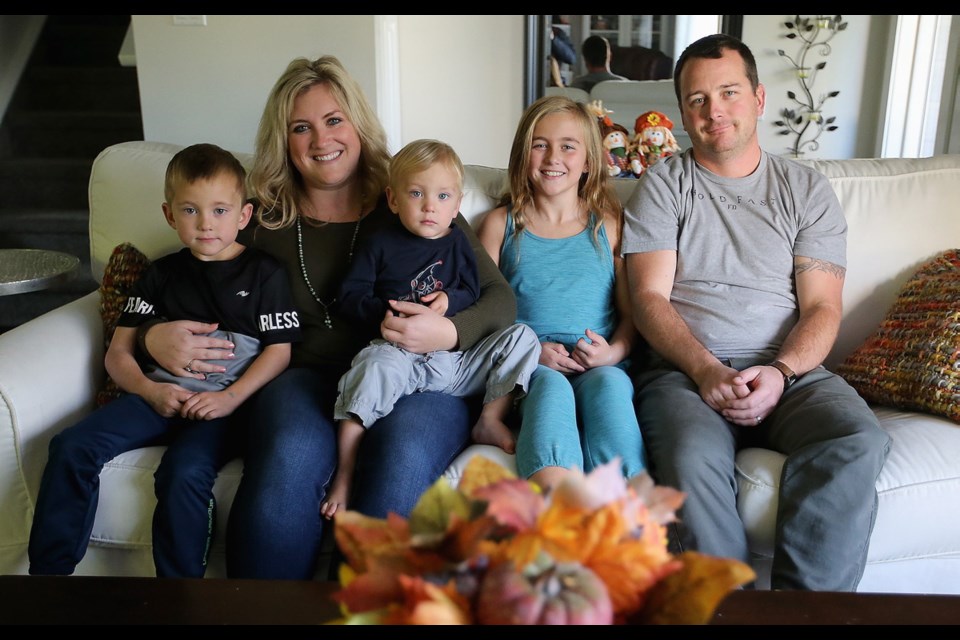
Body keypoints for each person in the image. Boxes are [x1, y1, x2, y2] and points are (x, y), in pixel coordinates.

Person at [136, 56, 518, 580]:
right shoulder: (259, 217)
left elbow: (500, 299)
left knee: (402, 458)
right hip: (304, 377)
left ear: (358, 123)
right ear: (284, 140)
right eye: (301, 127)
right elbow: (186, 283)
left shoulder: (414, 197)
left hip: (419, 377)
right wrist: (152, 337)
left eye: (334, 120)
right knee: (290, 455)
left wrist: (449, 330)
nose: (321, 140)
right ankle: (263, 613)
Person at [622, 33, 892, 591]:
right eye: (697, 99)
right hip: (685, 375)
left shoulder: (805, 189)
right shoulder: (663, 185)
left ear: (759, 98)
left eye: (728, 93)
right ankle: (730, 611)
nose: (714, 111)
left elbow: (822, 306)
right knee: (692, 455)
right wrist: (705, 370)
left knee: (857, 438)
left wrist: (782, 372)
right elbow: (648, 299)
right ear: (681, 113)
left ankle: (804, 613)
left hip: (790, 373)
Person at [28, 143, 300, 578]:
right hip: (157, 396)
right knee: (70, 446)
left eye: (219, 210)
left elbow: (280, 350)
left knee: (184, 471)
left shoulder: (265, 273)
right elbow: (118, 353)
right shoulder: (160, 274)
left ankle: (179, 594)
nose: (206, 223)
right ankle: (49, 580)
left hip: (222, 410)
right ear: (170, 215)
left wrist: (231, 399)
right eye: (190, 211)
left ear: (243, 215)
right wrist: (150, 390)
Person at [321, 139, 540, 519]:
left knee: (523, 337)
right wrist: (386, 317)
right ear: (393, 199)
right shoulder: (381, 243)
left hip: (453, 363)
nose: (429, 206)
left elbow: (474, 289)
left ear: (456, 206)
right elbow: (349, 294)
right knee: (370, 369)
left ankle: (489, 418)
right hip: (398, 356)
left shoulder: (457, 240)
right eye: (416, 193)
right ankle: (344, 473)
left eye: (442, 196)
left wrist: (448, 305)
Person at [477, 95, 646, 491]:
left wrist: (613, 353)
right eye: (540, 144)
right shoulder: (500, 225)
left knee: (610, 387)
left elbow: (631, 315)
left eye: (568, 146)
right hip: (529, 364)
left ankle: (624, 506)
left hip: (599, 363)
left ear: (588, 160)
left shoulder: (609, 226)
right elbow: (482, 313)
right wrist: (532, 350)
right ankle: (558, 500)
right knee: (550, 390)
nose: (553, 157)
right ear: (523, 154)